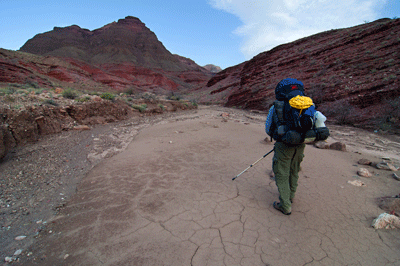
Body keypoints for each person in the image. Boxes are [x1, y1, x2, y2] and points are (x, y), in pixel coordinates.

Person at [265, 78, 328, 215]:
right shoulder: (307, 104)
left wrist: (278, 135)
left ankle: (285, 205)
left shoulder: (276, 106)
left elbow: (268, 128)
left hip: (283, 145)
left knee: (281, 173)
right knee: (294, 171)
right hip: (300, 145)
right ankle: (291, 196)